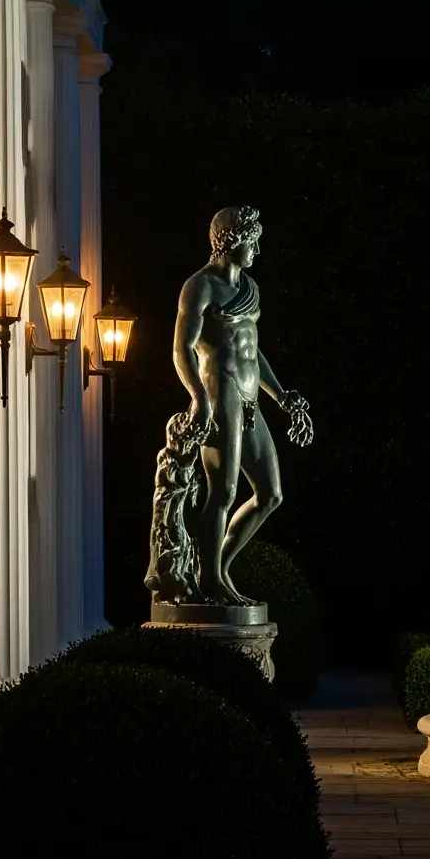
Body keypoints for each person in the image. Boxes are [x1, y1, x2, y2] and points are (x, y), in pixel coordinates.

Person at [151, 204, 312, 605]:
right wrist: (198, 399)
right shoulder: (200, 286)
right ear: (233, 240)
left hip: (250, 398)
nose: (257, 249)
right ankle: (213, 580)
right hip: (219, 397)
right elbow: (181, 350)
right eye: (253, 240)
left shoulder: (249, 288)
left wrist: (282, 396)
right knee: (221, 493)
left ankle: (213, 570)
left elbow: (252, 353)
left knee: (270, 494)